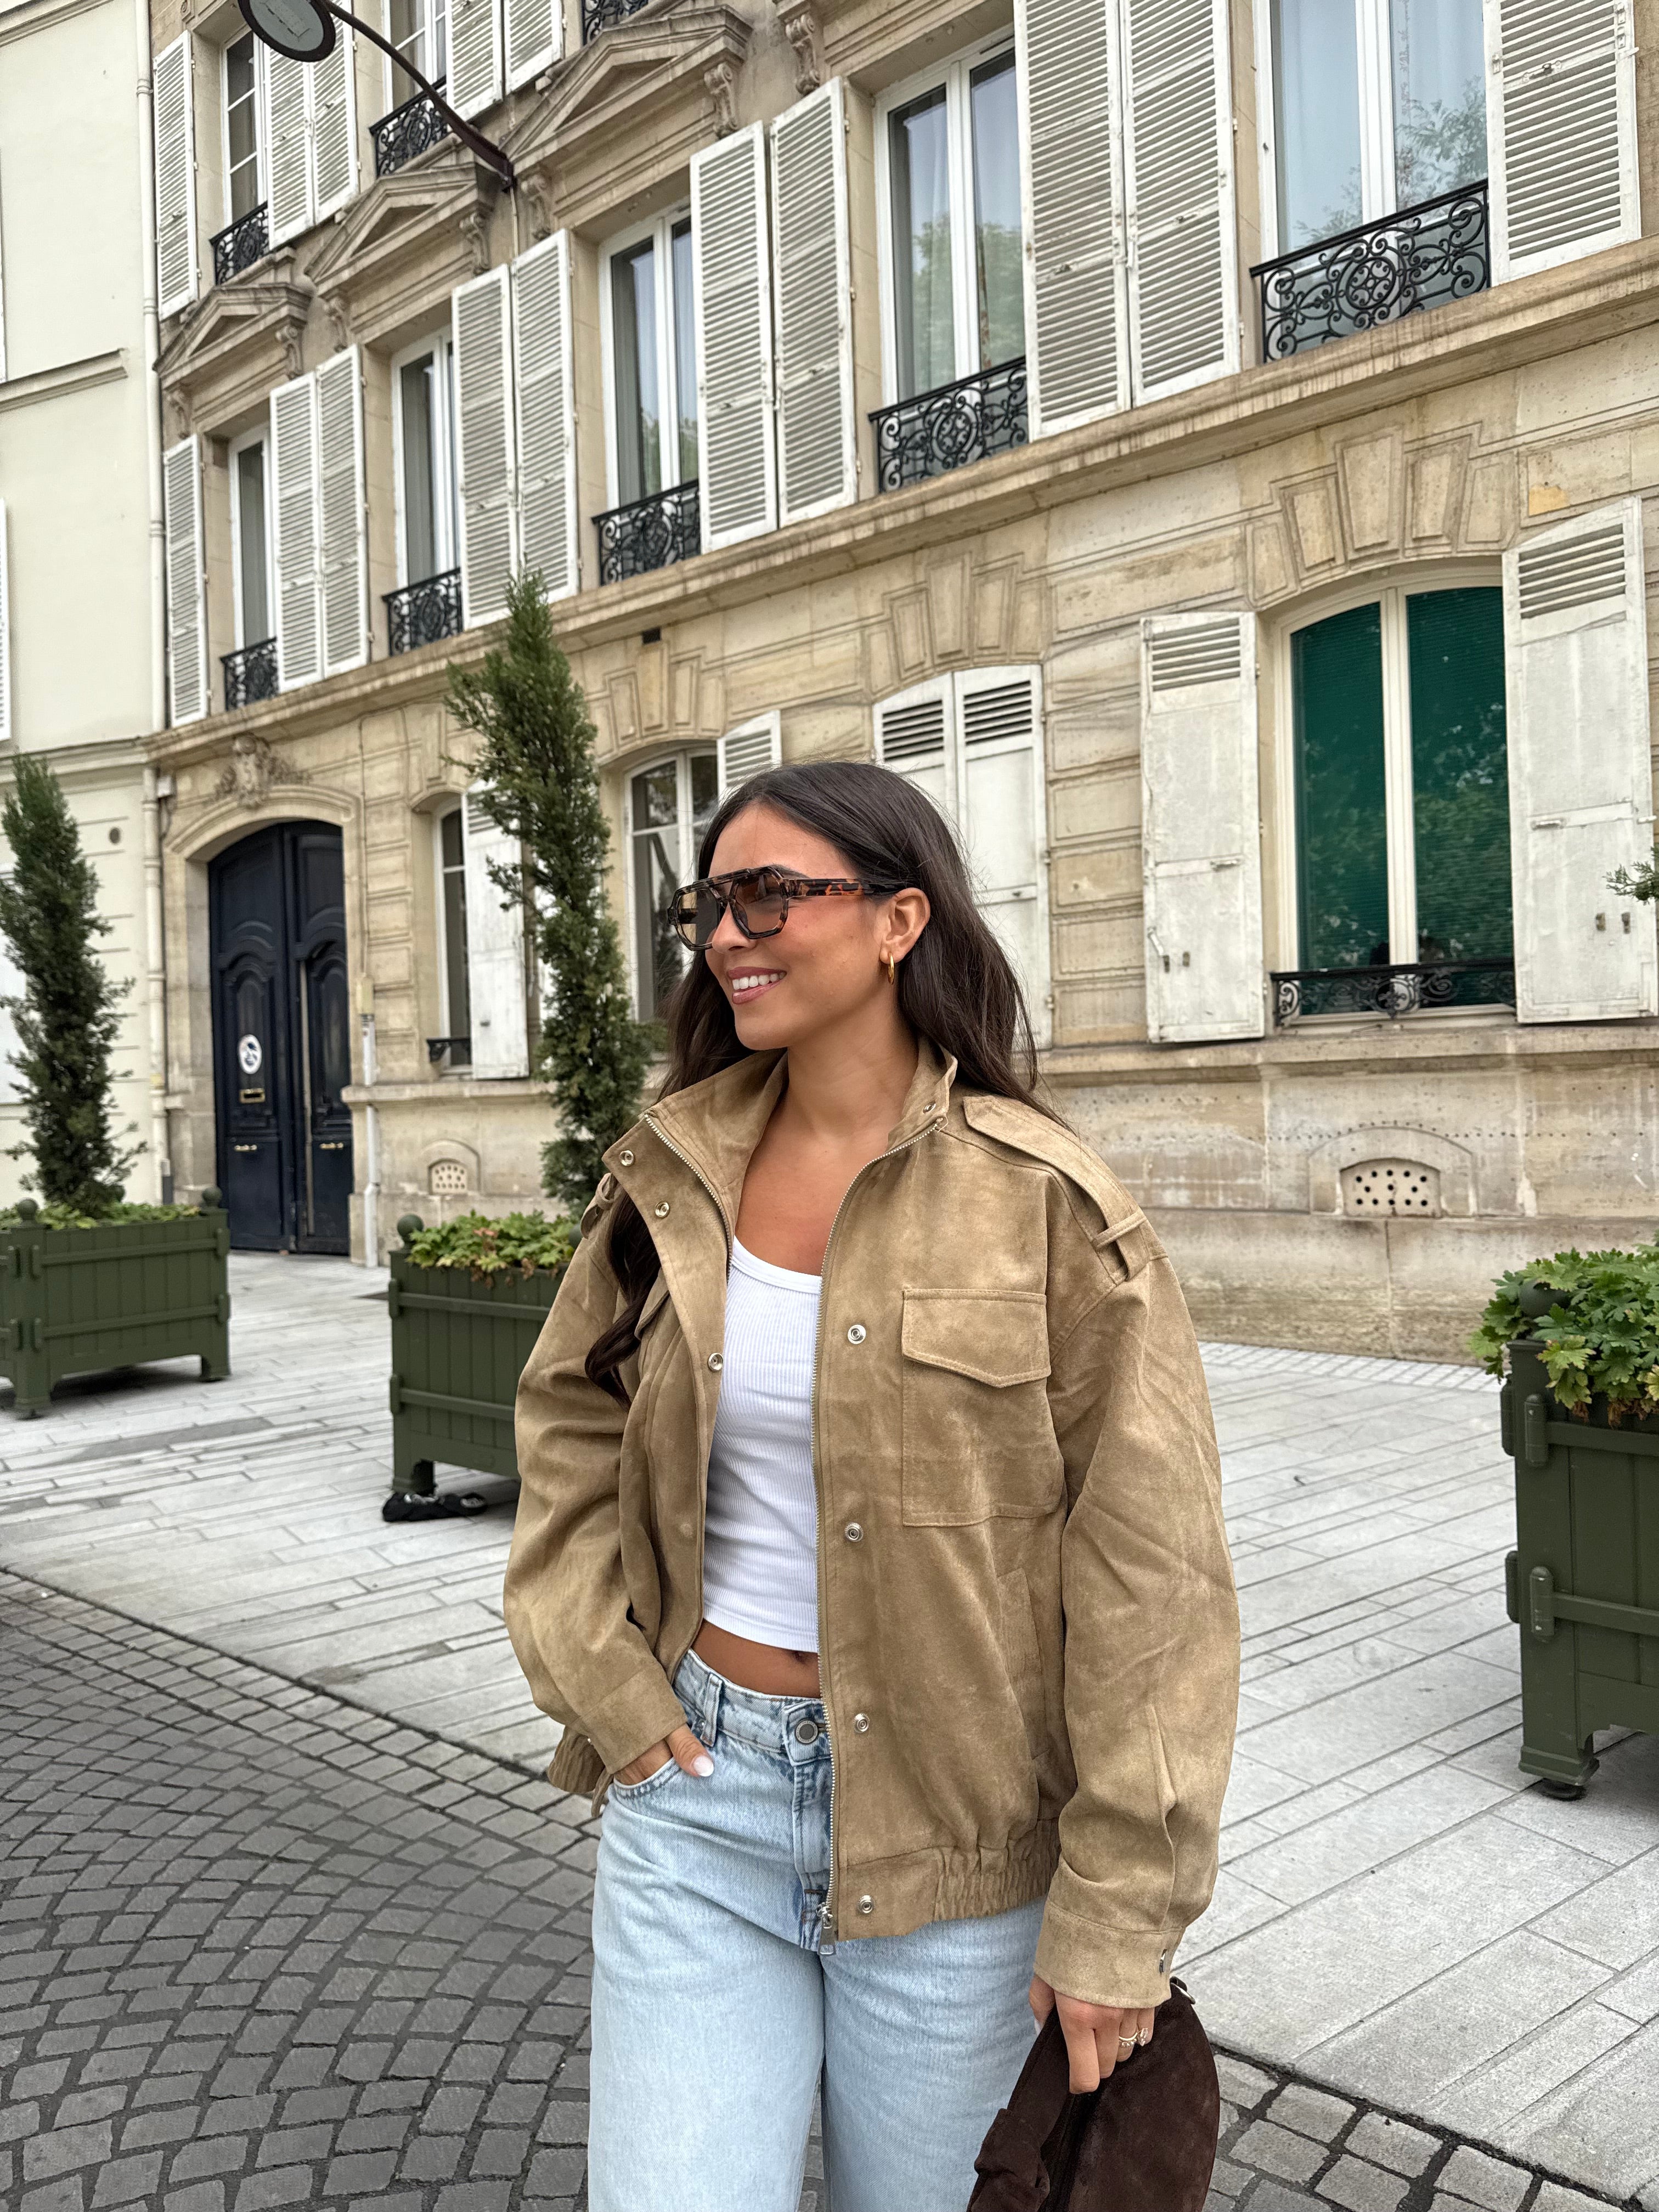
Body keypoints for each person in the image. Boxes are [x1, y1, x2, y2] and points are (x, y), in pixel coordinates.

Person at [504, 760, 1239, 2212]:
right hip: (695, 1799)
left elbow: (1152, 1576)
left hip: (958, 1842)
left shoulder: (1050, 1207)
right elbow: (569, 1426)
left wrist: (1118, 1911)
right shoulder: (667, 1177)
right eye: (713, 903)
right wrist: (605, 1681)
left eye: (772, 894)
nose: (730, 933)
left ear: (902, 921)